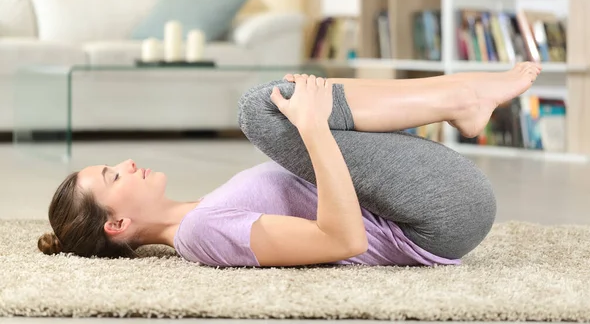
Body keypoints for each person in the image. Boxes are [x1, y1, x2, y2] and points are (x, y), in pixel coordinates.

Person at [38, 62, 541, 267]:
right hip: (441, 219)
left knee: (279, 103)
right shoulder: (202, 234)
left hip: (432, 201)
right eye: (113, 176)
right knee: (262, 109)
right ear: (118, 223)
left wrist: (325, 117)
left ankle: (464, 97)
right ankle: (463, 96)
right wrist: (316, 127)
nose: (126, 163)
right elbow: (344, 240)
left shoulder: (203, 210)